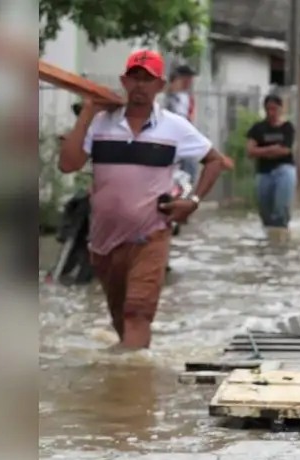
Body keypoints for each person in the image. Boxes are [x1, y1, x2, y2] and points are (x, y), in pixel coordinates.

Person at [58, 49, 227, 349]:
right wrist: (87, 112)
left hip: (150, 235)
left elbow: (215, 160)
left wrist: (194, 200)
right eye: (134, 78)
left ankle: (133, 386)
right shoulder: (100, 124)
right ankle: (126, 381)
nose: (140, 85)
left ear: (160, 86)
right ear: (124, 81)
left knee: (137, 312)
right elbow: (68, 164)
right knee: (121, 318)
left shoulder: (174, 127)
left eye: (147, 79)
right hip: (104, 240)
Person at [246, 94, 297, 240]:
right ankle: (269, 238)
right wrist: (272, 149)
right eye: (268, 109)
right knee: (264, 210)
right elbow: (250, 151)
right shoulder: (258, 128)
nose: (271, 113)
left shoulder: (287, 128)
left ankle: (281, 235)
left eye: (274, 109)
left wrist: (262, 150)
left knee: (281, 206)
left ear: (281, 109)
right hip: (264, 172)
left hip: (284, 169)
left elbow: (286, 150)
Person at [164, 64, 199, 179]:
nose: (189, 81)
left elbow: (190, 116)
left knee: (190, 167)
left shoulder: (189, 97)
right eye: (187, 77)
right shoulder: (167, 95)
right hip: (169, 136)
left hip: (184, 135)